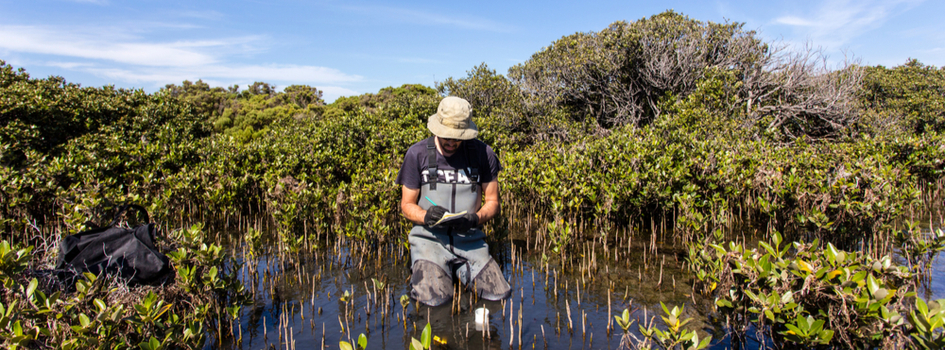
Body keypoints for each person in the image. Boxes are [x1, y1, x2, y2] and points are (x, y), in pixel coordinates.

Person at [395, 96, 512, 307]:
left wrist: (475, 219)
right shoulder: (417, 154)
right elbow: (406, 205)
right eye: (446, 136)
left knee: (498, 297)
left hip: (471, 241)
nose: (451, 142)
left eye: (457, 137)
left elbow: (493, 201)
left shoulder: (484, 154)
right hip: (429, 240)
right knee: (434, 302)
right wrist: (426, 216)